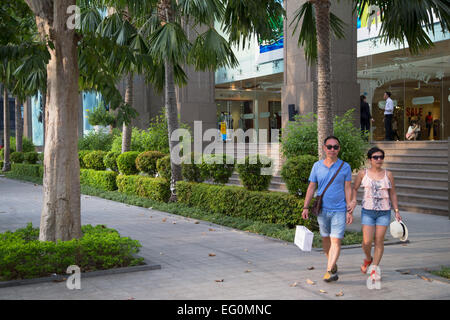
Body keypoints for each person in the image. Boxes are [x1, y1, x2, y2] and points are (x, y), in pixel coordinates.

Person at [302, 136, 353, 282]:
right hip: (322, 210)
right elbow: (311, 187)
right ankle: (333, 264)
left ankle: (330, 270)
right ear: (324, 148)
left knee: (336, 240)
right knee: (326, 239)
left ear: (339, 149)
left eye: (335, 147)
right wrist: (306, 206)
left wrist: (349, 209)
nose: (332, 149)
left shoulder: (345, 167)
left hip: (339, 210)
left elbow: (347, 188)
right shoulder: (317, 166)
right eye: (329, 147)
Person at [350, 147, 402, 283]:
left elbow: (393, 193)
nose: (379, 159)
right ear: (369, 160)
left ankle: (374, 268)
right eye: (376, 157)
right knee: (366, 241)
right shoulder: (362, 173)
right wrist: (354, 200)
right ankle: (368, 259)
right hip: (367, 211)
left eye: (381, 157)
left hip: (384, 212)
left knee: (379, 240)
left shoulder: (388, 174)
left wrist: (396, 211)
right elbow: (354, 188)